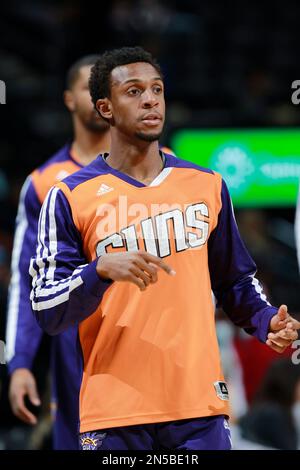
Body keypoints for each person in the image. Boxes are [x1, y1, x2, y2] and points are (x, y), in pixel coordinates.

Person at [30, 46, 300, 451]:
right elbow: (47, 309)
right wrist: (98, 270)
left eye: (157, 89)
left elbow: (236, 280)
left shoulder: (206, 185)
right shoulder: (69, 195)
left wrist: (266, 322)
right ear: (104, 107)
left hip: (198, 406)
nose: (151, 99)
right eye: (134, 91)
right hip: (115, 412)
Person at [5, 55, 111, 450]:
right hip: (74, 349)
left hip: (151, 335)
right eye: (90, 87)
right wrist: (19, 363)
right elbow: (26, 281)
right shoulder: (43, 183)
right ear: (69, 99)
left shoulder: (163, 168)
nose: (101, 96)